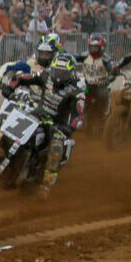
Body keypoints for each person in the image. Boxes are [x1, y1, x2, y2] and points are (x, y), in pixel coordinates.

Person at [23, 56, 87, 197]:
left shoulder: (77, 89)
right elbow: (29, 78)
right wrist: (14, 82)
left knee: (57, 147)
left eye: (62, 73)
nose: (58, 75)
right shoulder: (46, 75)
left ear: (71, 73)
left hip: (58, 126)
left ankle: (45, 186)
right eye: (56, 71)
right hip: (37, 115)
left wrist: (70, 128)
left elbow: (79, 115)